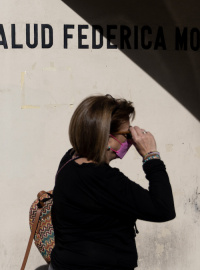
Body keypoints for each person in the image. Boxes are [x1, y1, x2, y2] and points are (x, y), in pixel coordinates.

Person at [50, 94, 175, 270]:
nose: (130, 140)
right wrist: (151, 156)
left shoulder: (70, 159)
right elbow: (163, 209)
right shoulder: (102, 179)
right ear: (107, 137)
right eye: (126, 134)